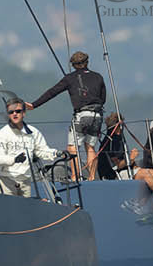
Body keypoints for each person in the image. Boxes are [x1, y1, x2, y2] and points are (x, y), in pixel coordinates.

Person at [27, 51, 106, 180]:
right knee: (90, 147)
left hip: (82, 115)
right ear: (87, 62)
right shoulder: (98, 77)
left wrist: (34, 105)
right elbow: (103, 99)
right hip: (97, 115)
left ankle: (75, 177)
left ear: (73, 65)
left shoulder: (70, 78)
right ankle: (92, 178)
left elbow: (53, 92)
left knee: (72, 147)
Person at [98, 112, 153, 213]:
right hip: (114, 175)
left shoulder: (118, 139)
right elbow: (117, 165)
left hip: (127, 169)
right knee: (147, 175)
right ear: (118, 126)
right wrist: (131, 159)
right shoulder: (112, 141)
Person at [0, 101, 62, 197]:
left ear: (24, 113)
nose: (14, 114)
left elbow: (41, 150)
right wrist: (14, 160)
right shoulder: (1, 134)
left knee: (25, 210)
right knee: (7, 209)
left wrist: (57, 153)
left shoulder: (33, 132)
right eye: (11, 112)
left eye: (18, 111)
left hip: (25, 179)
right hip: (6, 179)